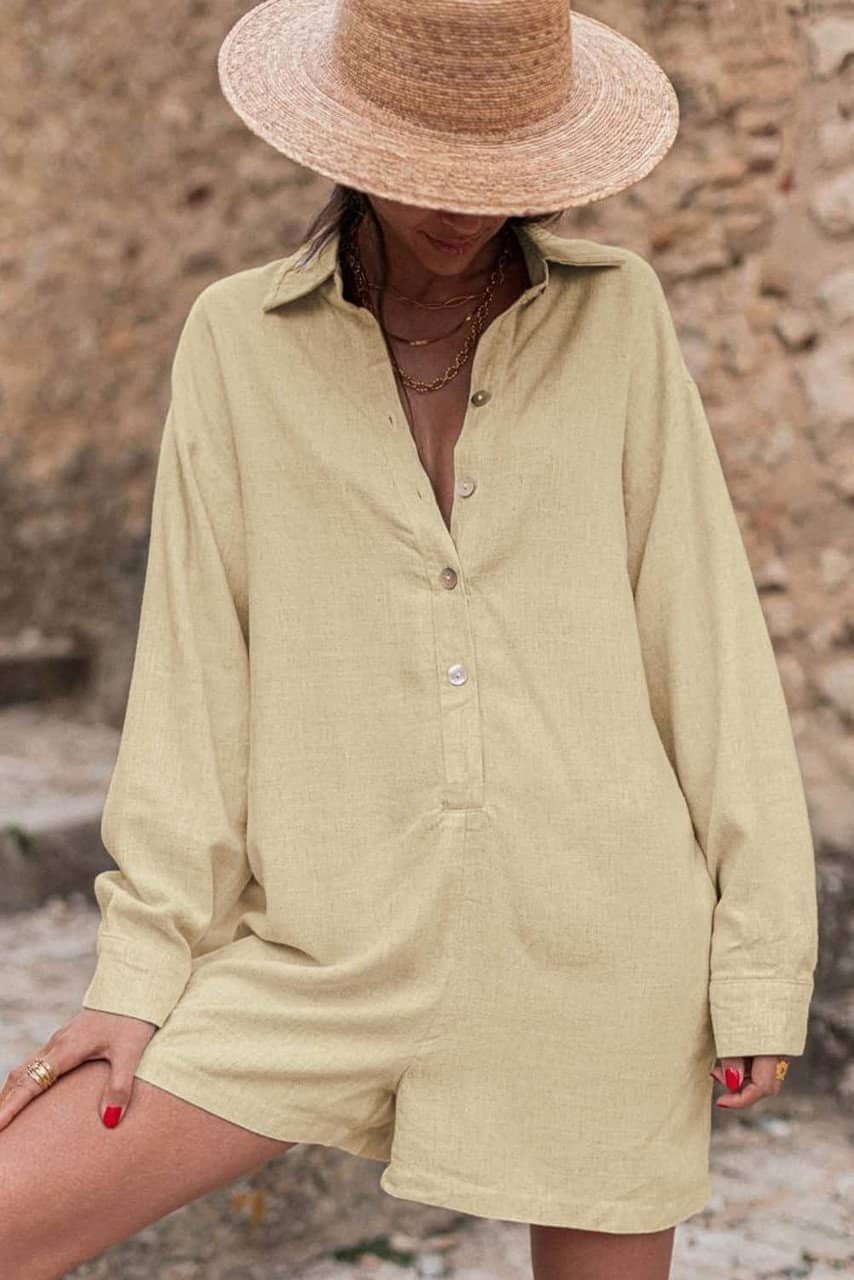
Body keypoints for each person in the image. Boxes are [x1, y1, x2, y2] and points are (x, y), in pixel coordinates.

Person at [0, 2, 819, 1278]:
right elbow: (195, 668)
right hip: (323, 942)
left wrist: (758, 957)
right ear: (349, 142)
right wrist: (137, 971)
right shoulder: (236, 340)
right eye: (426, 167)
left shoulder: (617, 317)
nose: (458, 208)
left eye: (496, 173)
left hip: (594, 943)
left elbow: (701, 632)